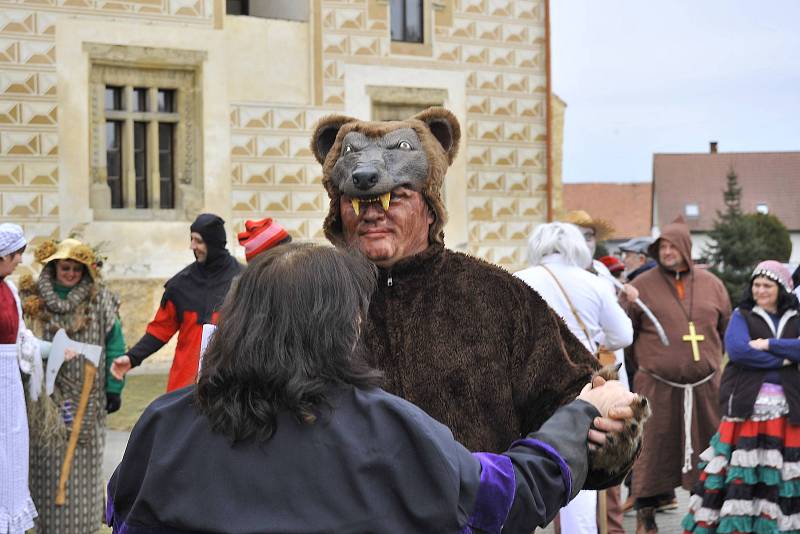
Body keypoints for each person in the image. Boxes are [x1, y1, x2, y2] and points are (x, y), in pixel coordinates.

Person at [106, 243, 638, 534]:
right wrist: (581, 415)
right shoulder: (387, 427)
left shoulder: (164, 422)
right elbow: (505, 498)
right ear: (344, 326)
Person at [311, 108, 643, 506]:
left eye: (394, 197)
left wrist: (607, 430)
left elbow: (571, 398)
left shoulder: (495, 295)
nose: (373, 214)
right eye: (358, 202)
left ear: (429, 207)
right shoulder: (311, 301)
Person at [515, 222, 634, 534]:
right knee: (580, 473)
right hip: (582, 386)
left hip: (528, 387)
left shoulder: (516, 281)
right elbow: (624, 335)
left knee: (526, 465)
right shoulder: (593, 283)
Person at [623, 216, 732, 533]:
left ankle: (708, 512)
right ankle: (646, 515)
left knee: (709, 446)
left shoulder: (713, 284)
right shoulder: (641, 286)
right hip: (657, 386)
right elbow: (625, 335)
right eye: (662, 246)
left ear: (686, 247)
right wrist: (655, 362)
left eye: (673, 245)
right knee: (652, 449)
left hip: (705, 388)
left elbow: (722, 329)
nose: (667, 251)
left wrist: (708, 362)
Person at [682, 260, 800, 534]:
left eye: (767, 286)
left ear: (781, 288)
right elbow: (738, 352)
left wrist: (770, 344)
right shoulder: (742, 315)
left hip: (789, 410)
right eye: (756, 285)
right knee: (744, 470)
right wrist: (784, 361)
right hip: (748, 407)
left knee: (781, 472)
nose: (760, 290)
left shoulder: (795, 317)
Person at [19, 238, 125, 533]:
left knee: (83, 470)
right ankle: (44, 525)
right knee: (44, 467)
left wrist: (114, 388)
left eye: (76, 268)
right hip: (42, 401)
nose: (70, 273)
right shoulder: (31, 299)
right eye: (64, 267)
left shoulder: (100, 299)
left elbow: (116, 345)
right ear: (53, 267)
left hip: (87, 401)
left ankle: (82, 527)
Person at [111, 213, 243, 391]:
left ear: (213, 242)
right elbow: (159, 330)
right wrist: (131, 358)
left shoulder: (243, 283)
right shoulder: (181, 285)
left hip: (227, 386)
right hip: (184, 386)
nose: (192, 246)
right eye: (191, 239)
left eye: (198, 241)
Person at [0, 224, 39, 533]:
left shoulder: (9, 289)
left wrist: (50, 350)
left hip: (10, 381)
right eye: (16, 256)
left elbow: (21, 334)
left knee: (12, 445)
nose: (19, 262)